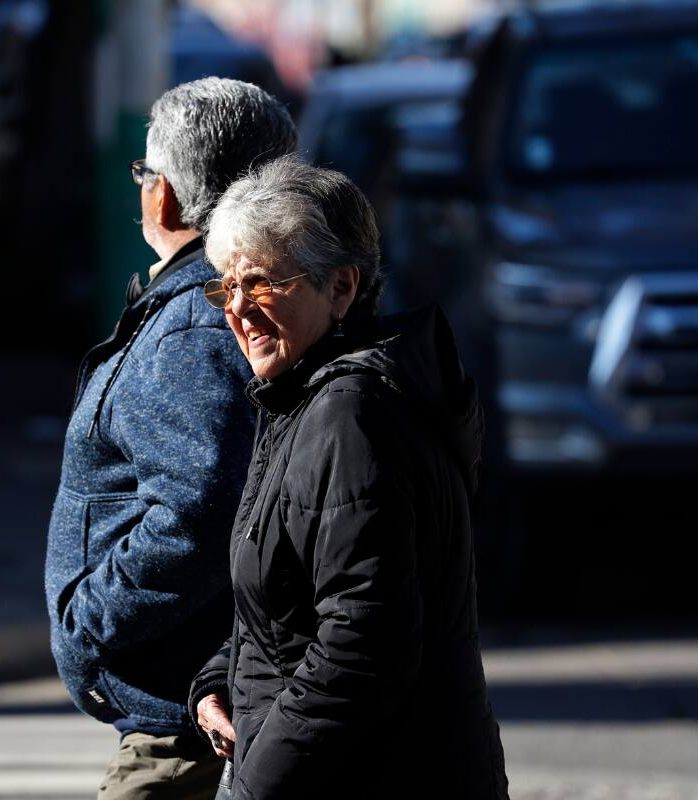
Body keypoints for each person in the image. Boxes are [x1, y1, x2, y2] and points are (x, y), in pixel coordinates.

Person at [188, 156, 509, 799]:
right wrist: (221, 678)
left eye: (263, 284)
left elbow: (365, 644)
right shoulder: (302, 394)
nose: (239, 310)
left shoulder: (351, 413)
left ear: (341, 288)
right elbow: (294, 596)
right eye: (227, 287)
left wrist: (256, 784)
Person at [45, 78, 297, 800]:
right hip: (204, 699)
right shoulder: (244, 300)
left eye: (144, 173)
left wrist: (90, 621)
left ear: (165, 196)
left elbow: (200, 508)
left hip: (185, 720)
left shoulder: (195, 323)